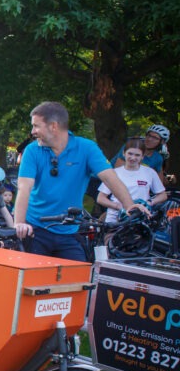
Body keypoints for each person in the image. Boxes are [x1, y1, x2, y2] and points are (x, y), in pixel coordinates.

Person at [14, 101, 148, 260]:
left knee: (80, 276)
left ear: (53, 126)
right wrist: (19, 223)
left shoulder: (86, 148)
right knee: (34, 279)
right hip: (36, 228)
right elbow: (24, 188)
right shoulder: (32, 150)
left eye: (36, 126)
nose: (32, 131)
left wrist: (129, 206)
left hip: (69, 230)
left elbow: (110, 177)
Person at [97, 139, 167, 223]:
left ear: (142, 156)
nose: (133, 158)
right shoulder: (114, 173)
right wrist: (118, 206)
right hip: (115, 219)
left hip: (140, 218)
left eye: (137, 155)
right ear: (124, 153)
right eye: (130, 153)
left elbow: (163, 195)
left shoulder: (150, 172)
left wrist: (149, 203)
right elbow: (100, 198)